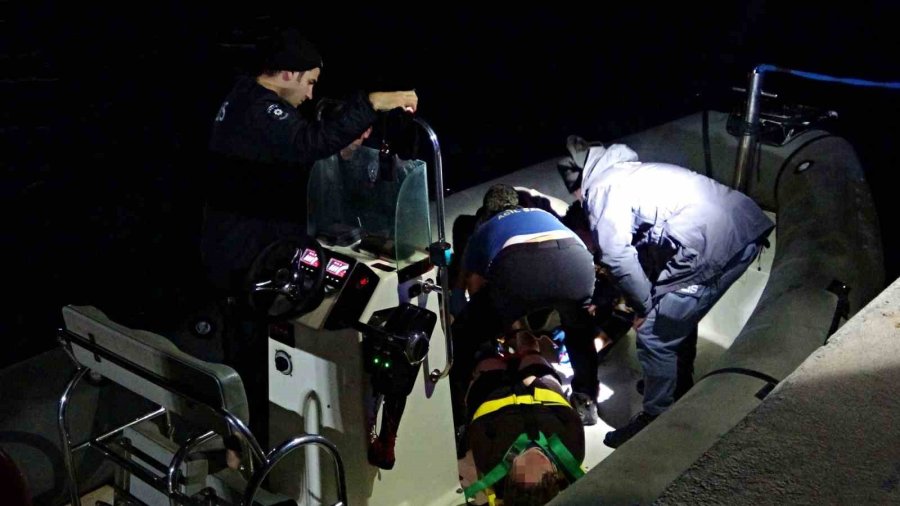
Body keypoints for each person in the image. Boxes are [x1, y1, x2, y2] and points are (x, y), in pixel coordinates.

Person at [201, 27, 418, 445]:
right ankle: (249, 451)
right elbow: (304, 142)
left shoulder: (240, 98)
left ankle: (246, 444)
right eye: (311, 82)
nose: (311, 94)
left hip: (233, 250)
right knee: (254, 360)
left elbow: (283, 153)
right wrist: (372, 103)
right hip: (246, 262)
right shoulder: (258, 107)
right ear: (288, 73)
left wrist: (341, 143)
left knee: (249, 354)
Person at [557, 135, 774, 448]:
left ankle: (657, 422)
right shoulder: (628, 171)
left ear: (578, 186)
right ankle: (678, 387)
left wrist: (644, 307)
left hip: (710, 244)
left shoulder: (601, 189)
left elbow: (616, 255)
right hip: (738, 225)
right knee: (674, 314)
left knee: (654, 332)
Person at [450, 184, 601, 430]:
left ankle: (460, 416)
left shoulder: (486, 227)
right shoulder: (541, 214)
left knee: (464, 336)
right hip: (577, 265)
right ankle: (586, 401)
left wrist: (480, 321)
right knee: (579, 334)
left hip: (521, 271)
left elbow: (473, 285)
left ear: (487, 212)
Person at [463, 329, 585, 505]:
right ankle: (522, 333)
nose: (533, 451)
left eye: (524, 464)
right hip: (542, 396)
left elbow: (477, 424)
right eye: (542, 462)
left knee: (486, 361)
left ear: (510, 476)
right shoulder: (570, 456)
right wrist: (536, 384)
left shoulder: (491, 464)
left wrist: (497, 394)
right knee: (533, 358)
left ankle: (489, 343)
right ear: (555, 476)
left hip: (497, 396)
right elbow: (569, 415)